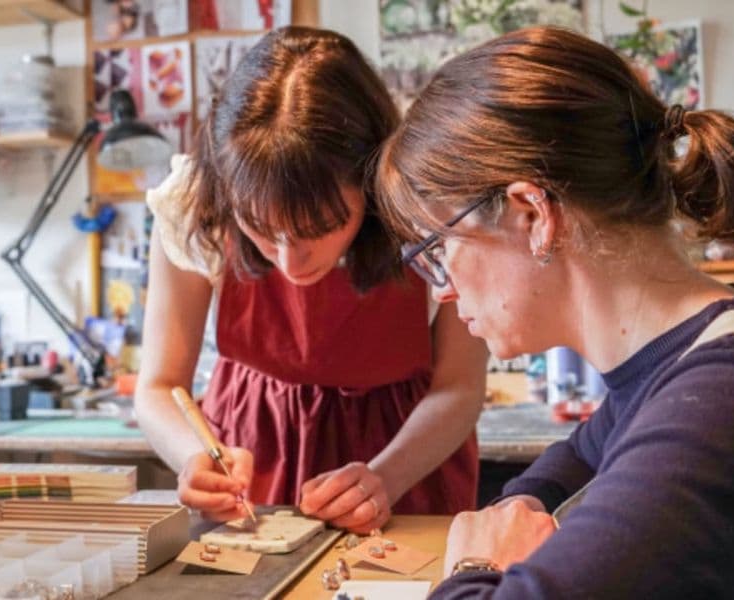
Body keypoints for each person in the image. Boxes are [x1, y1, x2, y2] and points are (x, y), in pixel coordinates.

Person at [376, 25, 734, 598]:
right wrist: (508, 524)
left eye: (439, 248)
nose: (441, 288)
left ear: (532, 215)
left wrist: (473, 570)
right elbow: (557, 476)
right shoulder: (666, 372)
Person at [134, 26, 487, 535]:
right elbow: (160, 385)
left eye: (318, 228)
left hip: (406, 455)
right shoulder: (197, 205)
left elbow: (460, 387)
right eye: (258, 226)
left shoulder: (430, 207)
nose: (288, 261)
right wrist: (193, 456)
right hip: (254, 446)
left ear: (370, 180)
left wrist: (385, 477)